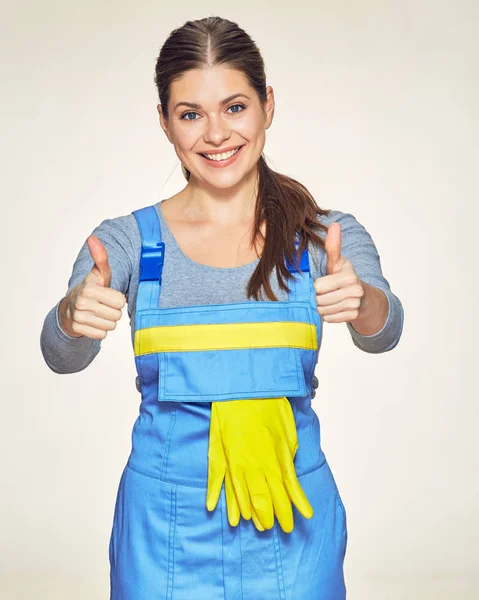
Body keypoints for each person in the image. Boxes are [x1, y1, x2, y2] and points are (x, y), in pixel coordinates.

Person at [40, 15, 404, 600]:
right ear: (164, 122)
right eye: (190, 115)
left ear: (267, 106)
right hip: (163, 530)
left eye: (234, 107)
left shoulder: (323, 237)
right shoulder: (128, 243)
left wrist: (362, 302)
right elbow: (61, 355)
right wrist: (70, 316)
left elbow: (384, 330)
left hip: (293, 521)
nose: (215, 134)